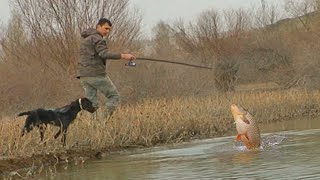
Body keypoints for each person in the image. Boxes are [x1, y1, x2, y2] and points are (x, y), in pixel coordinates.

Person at [77, 18, 135, 119]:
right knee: (114, 97)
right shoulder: (98, 39)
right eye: (106, 28)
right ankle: (103, 123)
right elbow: (103, 54)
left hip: (83, 75)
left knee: (92, 104)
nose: (107, 31)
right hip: (95, 74)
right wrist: (123, 56)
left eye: (109, 29)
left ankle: (94, 129)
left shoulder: (86, 39)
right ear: (98, 26)